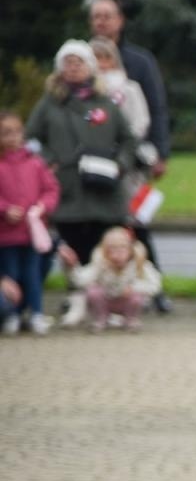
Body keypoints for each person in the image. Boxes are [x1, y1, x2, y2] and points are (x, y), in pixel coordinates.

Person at [26, 38, 137, 323]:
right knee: (72, 245)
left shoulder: (106, 103)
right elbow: (31, 138)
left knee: (105, 244)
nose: (73, 68)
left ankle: (107, 301)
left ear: (90, 67)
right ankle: (76, 298)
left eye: (79, 63)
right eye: (68, 63)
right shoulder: (50, 104)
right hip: (68, 185)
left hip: (102, 185)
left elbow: (127, 139)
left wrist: (121, 164)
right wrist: (48, 159)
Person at [88, 0, 172, 315]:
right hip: (91, 161)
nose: (102, 22)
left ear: (120, 21)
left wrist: (160, 152)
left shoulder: (139, 62)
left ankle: (152, 287)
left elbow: (156, 109)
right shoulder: (81, 59)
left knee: (137, 224)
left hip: (132, 162)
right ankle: (96, 293)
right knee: (93, 226)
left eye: (108, 16)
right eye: (97, 16)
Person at [0, 110, 60, 335]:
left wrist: (43, 206)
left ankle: (36, 313)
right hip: (6, 235)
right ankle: (12, 314)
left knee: (33, 275)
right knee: (11, 276)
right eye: (6, 133)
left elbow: (51, 189)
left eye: (17, 132)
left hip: (32, 233)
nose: (13, 137)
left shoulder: (35, 163)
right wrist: (5, 209)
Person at [72, 224, 161, 331]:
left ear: (130, 249)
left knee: (137, 297)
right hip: (106, 299)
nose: (117, 254)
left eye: (122, 248)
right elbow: (81, 281)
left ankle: (130, 319)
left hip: (127, 300)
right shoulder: (100, 262)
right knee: (92, 292)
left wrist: (134, 288)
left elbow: (155, 285)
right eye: (112, 249)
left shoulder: (139, 264)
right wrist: (72, 266)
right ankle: (101, 318)